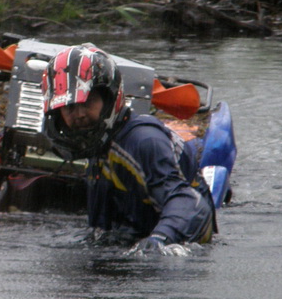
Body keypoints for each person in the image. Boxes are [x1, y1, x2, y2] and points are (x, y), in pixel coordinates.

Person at [41, 44, 214, 255]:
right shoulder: (100, 146)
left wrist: (161, 238)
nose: (79, 114)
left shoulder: (144, 141)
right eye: (69, 107)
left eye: (88, 102)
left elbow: (190, 203)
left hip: (182, 246)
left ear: (109, 99)